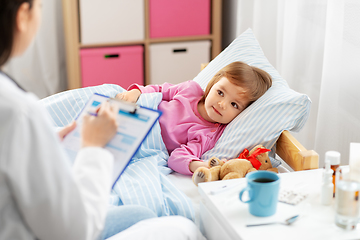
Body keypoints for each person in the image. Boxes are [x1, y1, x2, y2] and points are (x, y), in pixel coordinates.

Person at [0, 1, 190, 239]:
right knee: (183, 228)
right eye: (39, 6)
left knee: (139, 215)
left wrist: (42, 142)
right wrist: (93, 147)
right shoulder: (19, 112)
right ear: (22, 15)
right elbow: (73, 231)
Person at [117, 61, 272, 175]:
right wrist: (136, 92)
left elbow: (178, 158)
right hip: (140, 108)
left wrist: (202, 166)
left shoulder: (207, 133)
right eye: (220, 92)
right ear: (213, 85)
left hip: (145, 139)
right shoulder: (190, 89)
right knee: (108, 94)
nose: (222, 104)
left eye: (234, 104)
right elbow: (159, 90)